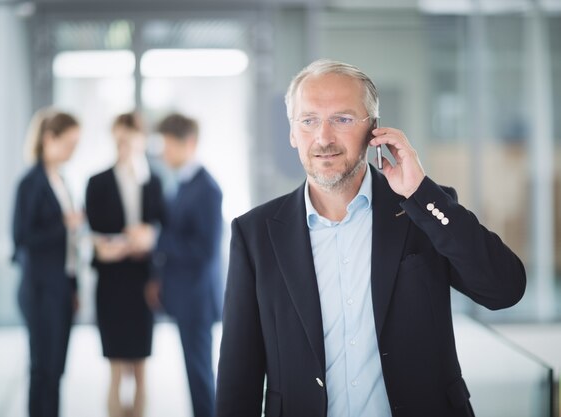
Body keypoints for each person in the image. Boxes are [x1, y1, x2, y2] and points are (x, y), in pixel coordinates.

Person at [215, 59, 527, 417]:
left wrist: (421, 193)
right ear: (292, 132)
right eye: (309, 120)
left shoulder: (421, 211)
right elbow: (238, 376)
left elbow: (505, 289)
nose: (324, 137)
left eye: (343, 119)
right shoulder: (255, 234)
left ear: (374, 130)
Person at [85, 111, 165, 417]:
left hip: (143, 282)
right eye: (119, 140)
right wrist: (111, 245)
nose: (124, 146)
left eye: (130, 140)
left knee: (142, 369)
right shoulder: (97, 182)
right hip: (111, 282)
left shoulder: (154, 182)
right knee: (116, 368)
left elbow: (163, 228)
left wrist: (149, 237)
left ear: (142, 141)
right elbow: (93, 233)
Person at [12, 108, 84, 417]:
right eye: (68, 144)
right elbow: (21, 238)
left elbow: (70, 246)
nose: (73, 151)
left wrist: (74, 287)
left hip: (61, 287)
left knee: (55, 371)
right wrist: (64, 224)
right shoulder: (30, 183)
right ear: (48, 139)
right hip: (40, 289)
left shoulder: (62, 180)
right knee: (43, 370)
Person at [153, 113, 223, 417]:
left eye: (168, 144)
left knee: (200, 373)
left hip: (197, 297)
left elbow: (203, 250)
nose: (164, 152)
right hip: (185, 294)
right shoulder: (181, 182)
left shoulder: (206, 188)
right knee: (195, 371)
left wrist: (155, 240)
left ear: (189, 143)